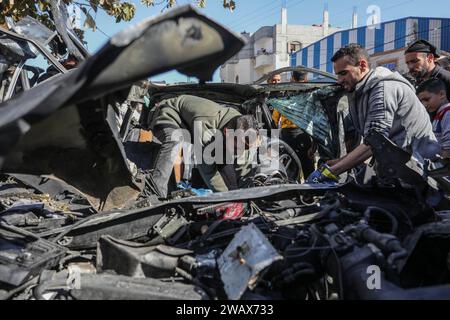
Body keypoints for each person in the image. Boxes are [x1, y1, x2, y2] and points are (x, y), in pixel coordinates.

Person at [307, 44, 440, 184]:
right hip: (399, 168)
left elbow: (376, 140)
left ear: (362, 66)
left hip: (420, 171)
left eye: (343, 73)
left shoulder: (384, 88)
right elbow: (371, 140)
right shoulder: (360, 90)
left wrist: (332, 171)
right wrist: (340, 162)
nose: (339, 80)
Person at [146, 94, 259, 198]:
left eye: (245, 148)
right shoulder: (206, 125)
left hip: (196, 125)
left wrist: (247, 196)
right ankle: (155, 197)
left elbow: (243, 165)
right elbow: (207, 171)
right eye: (237, 148)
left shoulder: (242, 127)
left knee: (226, 162)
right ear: (226, 132)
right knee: (174, 139)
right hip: (167, 112)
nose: (239, 152)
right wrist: (227, 198)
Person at [269, 72, 315, 178]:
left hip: (288, 136)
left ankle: (293, 191)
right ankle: (310, 193)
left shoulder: (284, 96)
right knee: (308, 169)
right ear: (306, 79)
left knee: (291, 169)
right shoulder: (310, 95)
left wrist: (273, 144)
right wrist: (314, 144)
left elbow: (274, 121)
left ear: (292, 79)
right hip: (304, 135)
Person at [417, 79, 450, 159]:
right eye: (421, 101)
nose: (424, 105)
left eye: (427, 99)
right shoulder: (439, 114)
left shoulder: (448, 113)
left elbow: (448, 150)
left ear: (442, 94)